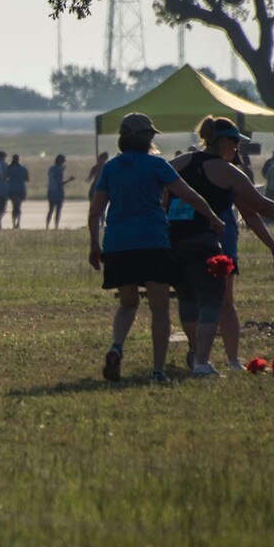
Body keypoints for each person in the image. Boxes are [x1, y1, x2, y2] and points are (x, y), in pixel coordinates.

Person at [181, 118, 274, 375]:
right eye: (235, 143)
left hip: (180, 242)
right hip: (216, 244)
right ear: (224, 141)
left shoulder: (182, 163)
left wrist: (273, 247)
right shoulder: (229, 172)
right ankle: (212, 361)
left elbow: (249, 213)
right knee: (220, 302)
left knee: (190, 300)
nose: (237, 149)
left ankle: (202, 354)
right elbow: (262, 206)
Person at [89, 113, 211, 384]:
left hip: (117, 243)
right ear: (145, 138)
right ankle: (158, 371)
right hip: (151, 241)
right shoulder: (156, 165)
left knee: (128, 304)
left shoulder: (111, 167)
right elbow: (188, 194)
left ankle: (116, 347)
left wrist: (94, 244)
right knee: (159, 309)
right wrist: (213, 217)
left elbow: (96, 210)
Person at [42, 154, 68, 228]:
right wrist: (69, 180)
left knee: (50, 210)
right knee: (58, 210)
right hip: (58, 192)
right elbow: (60, 183)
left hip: (50, 191)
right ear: (61, 162)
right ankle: (56, 226)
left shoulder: (51, 168)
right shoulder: (59, 170)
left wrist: (61, 170)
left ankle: (47, 225)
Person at [5, 153, 30, 228]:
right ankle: (18, 222)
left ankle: (13, 223)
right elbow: (27, 179)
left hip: (12, 189)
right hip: (21, 189)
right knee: (18, 206)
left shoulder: (9, 168)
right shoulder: (23, 169)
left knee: (14, 206)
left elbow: (4, 177)